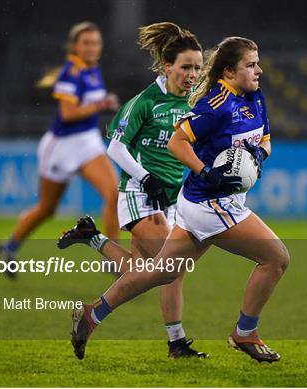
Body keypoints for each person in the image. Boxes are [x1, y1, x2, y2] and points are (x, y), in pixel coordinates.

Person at [69, 36, 290, 363]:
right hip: (209, 204)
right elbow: (177, 143)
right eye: (251, 64)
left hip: (198, 203)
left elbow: (267, 140)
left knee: (162, 271)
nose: (259, 70)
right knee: (276, 258)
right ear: (230, 71)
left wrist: (258, 154)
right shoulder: (214, 106)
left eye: (258, 63)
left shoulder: (255, 98)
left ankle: (92, 314)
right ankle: (244, 332)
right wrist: (205, 171)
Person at [58, 22, 207, 358]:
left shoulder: (194, 103)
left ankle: (92, 238)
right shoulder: (146, 101)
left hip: (171, 198)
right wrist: (145, 178)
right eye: (186, 67)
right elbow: (115, 147)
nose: (193, 74)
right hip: (140, 193)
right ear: (168, 66)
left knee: (147, 272)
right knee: (171, 268)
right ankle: (169, 339)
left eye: (198, 67)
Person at [0, 22, 121, 275]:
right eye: (86, 42)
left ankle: (113, 257)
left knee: (114, 193)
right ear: (75, 46)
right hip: (62, 146)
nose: (91, 47)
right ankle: (9, 247)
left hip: (87, 140)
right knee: (47, 208)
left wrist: (101, 103)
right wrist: (100, 105)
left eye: (95, 42)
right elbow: (67, 114)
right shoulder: (70, 73)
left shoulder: (93, 70)